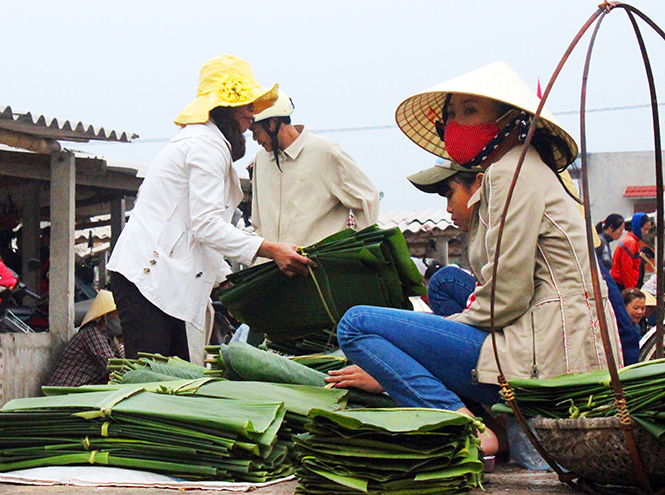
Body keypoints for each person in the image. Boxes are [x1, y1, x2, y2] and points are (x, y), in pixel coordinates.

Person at [326, 61, 622, 456]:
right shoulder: (518, 167)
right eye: (451, 114)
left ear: (509, 120)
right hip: (548, 338)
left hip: (549, 351)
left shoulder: (511, 171)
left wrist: (430, 339)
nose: (456, 123)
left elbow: (505, 298)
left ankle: (461, 422)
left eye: (470, 111)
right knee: (445, 285)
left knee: (356, 325)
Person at [107, 55, 315, 361]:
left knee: (173, 379)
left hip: (160, 281)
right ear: (224, 108)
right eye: (245, 104)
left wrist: (226, 283)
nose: (252, 113)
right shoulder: (205, 146)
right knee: (151, 383)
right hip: (148, 278)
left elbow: (200, 227)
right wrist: (270, 249)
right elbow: (207, 227)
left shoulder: (207, 142)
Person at [249, 91, 380, 247]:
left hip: (318, 266)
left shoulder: (325, 152)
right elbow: (258, 222)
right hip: (273, 266)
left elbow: (367, 198)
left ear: (273, 123)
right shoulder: (261, 160)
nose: (255, 139)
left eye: (256, 132)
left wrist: (353, 249)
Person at [46, 290, 124, 387]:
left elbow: (122, 358)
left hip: (83, 387)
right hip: (66, 388)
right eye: (118, 315)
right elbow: (112, 365)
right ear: (107, 315)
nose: (121, 319)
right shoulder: (93, 333)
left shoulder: (109, 337)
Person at [611, 212, 653, 291]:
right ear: (637, 226)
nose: (646, 233)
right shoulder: (630, 242)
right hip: (622, 285)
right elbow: (626, 269)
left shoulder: (630, 241)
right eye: (645, 229)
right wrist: (630, 290)